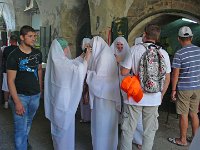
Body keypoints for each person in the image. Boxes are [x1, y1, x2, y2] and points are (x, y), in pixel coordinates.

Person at [120, 24, 171, 150]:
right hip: (154, 98)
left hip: (135, 96)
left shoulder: (134, 50)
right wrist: (161, 95)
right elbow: (167, 78)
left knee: (128, 129)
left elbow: (124, 72)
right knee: (149, 131)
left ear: (144, 35)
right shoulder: (163, 53)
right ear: (157, 37)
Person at [44, 37, 91, 150]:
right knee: (64, 124)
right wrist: (87, 59)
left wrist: (82, 56)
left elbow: (72, 63)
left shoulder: (58, 61)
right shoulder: (62, 63)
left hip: (57, 98)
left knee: (57, 124)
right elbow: (77, 70)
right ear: (62, 49)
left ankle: (59, 146)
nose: (67, 50)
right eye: (66, 48)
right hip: (63, 100)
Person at [7, 25, 42, 150]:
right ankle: (22, 145)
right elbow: (10, 81)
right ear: (22, 37)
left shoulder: (37, 53)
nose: (34, 39)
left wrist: (40, 89)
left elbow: (38, 71)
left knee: (28, 122)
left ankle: (24, 142)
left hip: (35, 95)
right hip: (20, 96)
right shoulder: (14, 56)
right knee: (20, 128)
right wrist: (16, 102)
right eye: (30, 36)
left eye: (34, 36)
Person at [86, 36, 121, 150]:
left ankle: (102, 147)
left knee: (102, 124)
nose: (90, 50)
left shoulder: (103, 56)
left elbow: (98, 79)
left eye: (91, 47)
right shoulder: (105, 54)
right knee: (107, 123)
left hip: (103, 96)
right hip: (106, 95)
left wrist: (87, 72)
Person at [168, 26, 200, 146]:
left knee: (183, 114)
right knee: (194, 113)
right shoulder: (199, 51)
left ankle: (183, 140)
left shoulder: (179, 53)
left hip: (184, 89)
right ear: (191, 37)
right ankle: (196, 139)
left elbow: (175, 74)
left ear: (178, 39)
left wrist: (173, 90)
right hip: (197, 87)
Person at [2, 35, 18, 109]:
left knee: (6, 87)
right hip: (18, 71)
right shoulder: (19, 49)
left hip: (7, 71)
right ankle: (15, 102)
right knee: (16, 87)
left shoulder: (6, 49)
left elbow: (3, 59)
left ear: (10, 41)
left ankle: (6, 103)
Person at [80, 38, 91, 123]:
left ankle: (90, 117)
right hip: (84, 78)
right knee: (84, 97)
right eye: (86, 45)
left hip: (91, 79)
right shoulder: (82, 55)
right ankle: (85, 117)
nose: (87, 47)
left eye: (89, 45)